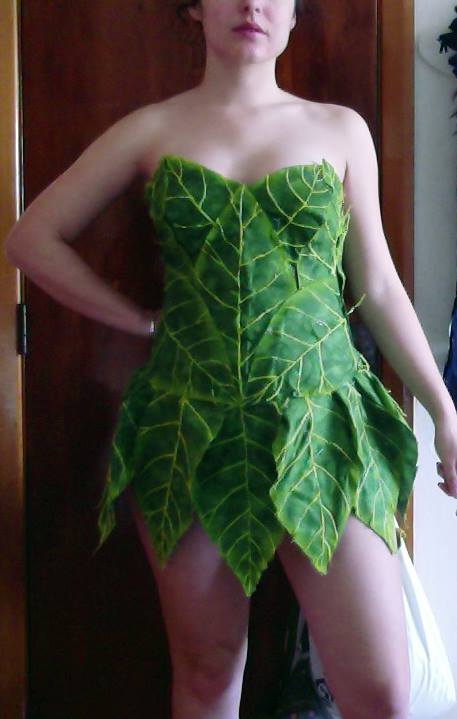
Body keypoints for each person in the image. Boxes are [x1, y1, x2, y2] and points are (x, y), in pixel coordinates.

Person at [4, 1, 457, 718]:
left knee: (380, 691)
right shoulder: (149, 129)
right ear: (194, 8)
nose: (251, 4)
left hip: (324, 422)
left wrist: (443, 409)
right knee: (208, 669)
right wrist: (139, 320)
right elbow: (31, 239)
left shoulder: (339, 129)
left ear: (294, 16)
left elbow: (374, 283)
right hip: (188, 424)